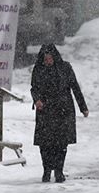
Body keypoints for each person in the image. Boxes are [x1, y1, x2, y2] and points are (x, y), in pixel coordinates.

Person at [31, 44, 89, 183]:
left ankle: (59, 170)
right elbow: (34, 88)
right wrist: (37, 99)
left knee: (61, 143)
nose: (48, 61)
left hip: (63, 110)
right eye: (45, 59)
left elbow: (75, 87)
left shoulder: (65, 68)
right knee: (45, 143)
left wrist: (83, 107)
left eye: (50, 58)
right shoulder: (38, 69)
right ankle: (46, 170)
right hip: (45, 110)